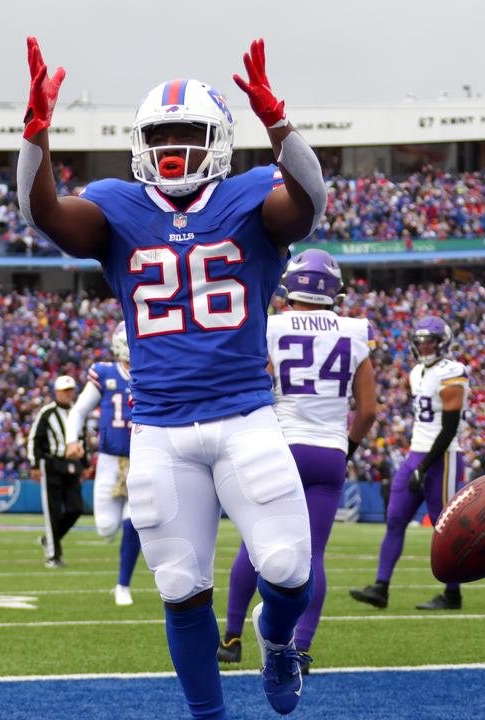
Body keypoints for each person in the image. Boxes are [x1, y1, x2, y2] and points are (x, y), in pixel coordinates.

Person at [19, 36, 327, 718]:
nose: (174, 148)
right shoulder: (116, 207)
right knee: (182, 585)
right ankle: (208, 716)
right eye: (162, 135)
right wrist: (34, 139)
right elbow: (45, 216)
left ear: (217, 140)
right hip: (159, 428)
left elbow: (309, 205)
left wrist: (282, 127)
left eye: (189, 134)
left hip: (245, 415)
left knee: (287, 570)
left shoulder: (251, 196)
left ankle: (278, 644)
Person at [219, 249, 378, 672]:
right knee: (314, 557)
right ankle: (300, 648)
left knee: (254, 545)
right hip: (328, 452)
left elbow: (256, 383)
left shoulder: (271, 325)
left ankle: (232, 638)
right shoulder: (354, 330)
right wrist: (347, 447)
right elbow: (368, 410)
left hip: (282, 445)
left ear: (292, 284)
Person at [351, 316, 469, 611]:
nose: (425, 346)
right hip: (416, 453)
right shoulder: (416, 372)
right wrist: (416, 461)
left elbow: (449, 428)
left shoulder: (452, 371)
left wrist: (425, 465)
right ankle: (381, 587)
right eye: (421, 342)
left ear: (443, 343)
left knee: (445, 527)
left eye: (430, 341)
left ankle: (452, 594)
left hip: (442, 456)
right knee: (394, 518)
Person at [66, 321, 142, 607]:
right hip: (110, 459)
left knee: (133, 521)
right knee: (106, 528)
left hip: (141, 458)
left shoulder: (152, 372)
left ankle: (123, 584)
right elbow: (79, 410)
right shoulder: (106, 373)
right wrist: (72, 440)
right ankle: (121, 524)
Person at [27, 375, 84, 569]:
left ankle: (50, 539)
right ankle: (53, 555)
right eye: (65, 391)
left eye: (71, 390)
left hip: (72, 465)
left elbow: (81, 439)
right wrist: (35, 465)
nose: (69, 394)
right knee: (52, 511)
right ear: (57, 392)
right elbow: (34, 438)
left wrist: (84, 464)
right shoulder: (47, 413)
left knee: (76, 508)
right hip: (51, 465)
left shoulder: (77, 412)